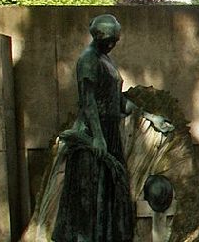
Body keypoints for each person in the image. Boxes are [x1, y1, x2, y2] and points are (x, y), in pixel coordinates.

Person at [54, 14, 135, 241]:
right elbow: (87, 101)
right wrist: (98, 138)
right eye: (109, 39)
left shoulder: (105, 59)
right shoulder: (88, 59)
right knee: (89, 199)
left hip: (109, 130)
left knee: (109, 194)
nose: (113, 44)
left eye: (115, 40)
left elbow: (118, 99)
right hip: (93, 132)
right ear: (98, 37)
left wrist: (149, 116)